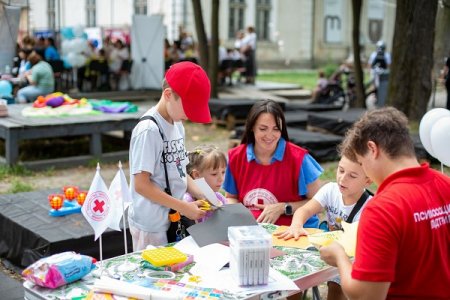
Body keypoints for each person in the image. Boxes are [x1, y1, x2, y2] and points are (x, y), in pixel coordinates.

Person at [319, 107, 450, 299]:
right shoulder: (445, 184)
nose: (366, 171)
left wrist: (340, 257)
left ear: (372, 149)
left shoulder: (382, 209)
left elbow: (366, 296)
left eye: (362, 163)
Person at [128, 61, 211, 250]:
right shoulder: (149, 130)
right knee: (156, 275)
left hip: (173, 220)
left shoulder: (177, 124)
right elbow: (141, 185)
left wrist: (203, 194)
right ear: (168, 95)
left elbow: (180, 170)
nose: (189, 116)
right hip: (151, 226)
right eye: (188, 108)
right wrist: (183, 207)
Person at [275, 143, 372, 300]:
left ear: (368, 181)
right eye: (341, 170)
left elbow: (359, 245)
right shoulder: (330, 190)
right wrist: (296, 225)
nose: (342, 178)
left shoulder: (370, 207)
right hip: (327, 249)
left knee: (336, 288)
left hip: (350, 257)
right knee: (294, 278)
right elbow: (304, 210)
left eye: (352, 176)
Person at [223, 99, 323, 227]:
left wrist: (283, 208)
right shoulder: (235, 157)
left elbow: (318, 204)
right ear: (252, 127)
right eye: (263, 128)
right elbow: (231, 197)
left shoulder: (300, 159)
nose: (270, 135)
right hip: (249, 232)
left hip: (293, 232)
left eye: (276, 129)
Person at [183, 145, 228, 222]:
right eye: (214, 174)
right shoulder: (188, 201)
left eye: (223, 172)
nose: (221, 179)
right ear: (196, 175)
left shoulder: (219, 198)